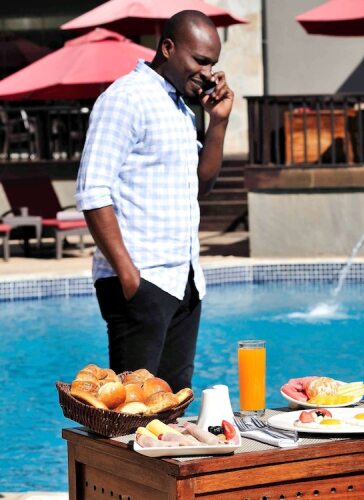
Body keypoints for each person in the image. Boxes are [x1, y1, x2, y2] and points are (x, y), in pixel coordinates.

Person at [75, 10, 233, 391]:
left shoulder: (179, 109)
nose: (208, 73)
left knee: (172, 405)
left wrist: (218, 122)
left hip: (184, 282)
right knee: (133, 410)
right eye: (200, 61)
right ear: (167, 48)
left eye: (212, 64)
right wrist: (130, 277)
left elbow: (201, 186)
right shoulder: (126, 99)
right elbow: (92, 191)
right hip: (141, 281)